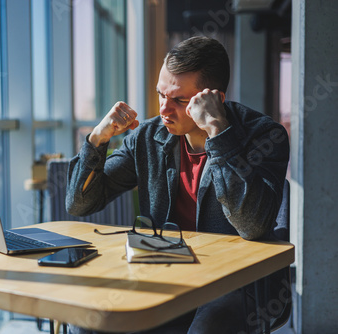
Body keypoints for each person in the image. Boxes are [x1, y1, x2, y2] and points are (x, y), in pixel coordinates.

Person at [65, 36, 290, 333]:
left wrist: (219, 133)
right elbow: (79, 203)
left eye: (180, 100)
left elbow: (252, 224)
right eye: (161, 95)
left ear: (215, 98)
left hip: (236, 281)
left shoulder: (263, 136)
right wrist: (97, 139)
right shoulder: (148, 137)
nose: (164, 110)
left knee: (207, 327)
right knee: (94, 320)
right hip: (165, 272)